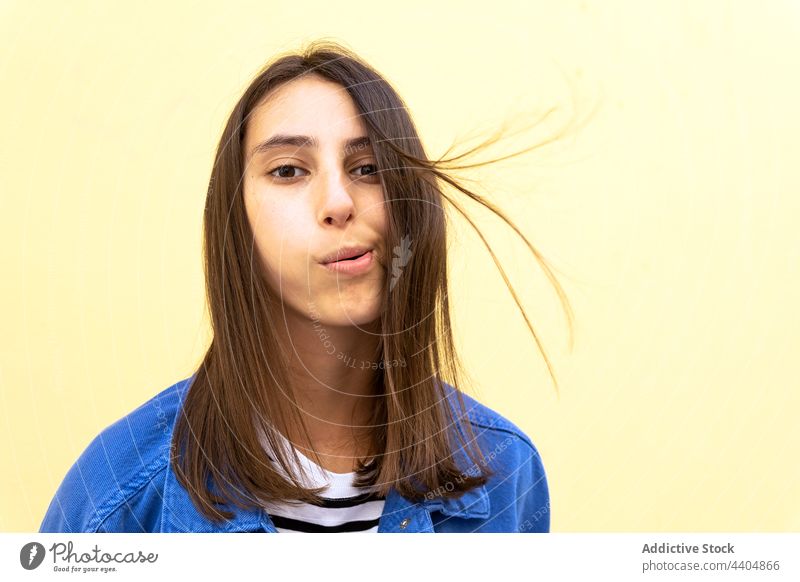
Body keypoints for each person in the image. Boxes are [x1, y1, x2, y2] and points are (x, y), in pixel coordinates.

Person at [40, 39, 572, 533]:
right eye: (290, 171)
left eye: (367, 168)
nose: (339, 202)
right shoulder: (119, 498)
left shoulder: (508, 475)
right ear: (236, 221)